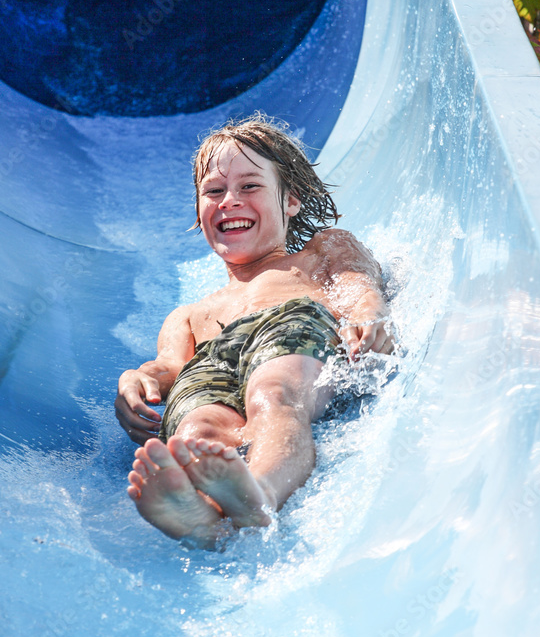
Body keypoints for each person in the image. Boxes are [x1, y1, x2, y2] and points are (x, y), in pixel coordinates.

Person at [115, 114, 394, 548]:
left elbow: (358, 286)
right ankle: (203, 515)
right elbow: (169, 366)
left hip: (289, 320)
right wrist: (140, 380)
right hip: (210, 359)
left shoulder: (321, 250)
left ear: (291, 202)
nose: (229, 200)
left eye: (249, 186)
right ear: (199, 210)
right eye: (213, 191)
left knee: (272, 393)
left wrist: (368, 314)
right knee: (196, 431)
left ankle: (259, 493)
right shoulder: (188, 315)